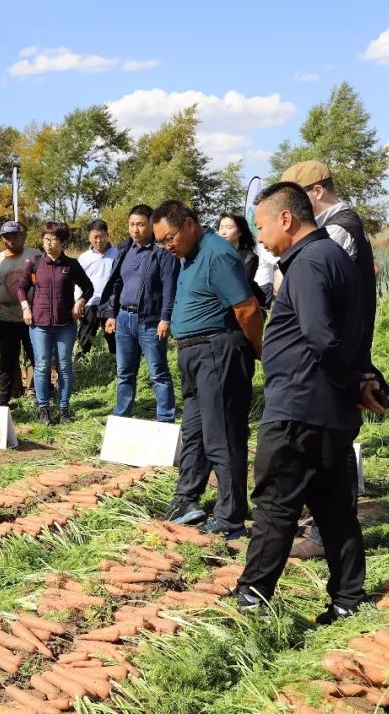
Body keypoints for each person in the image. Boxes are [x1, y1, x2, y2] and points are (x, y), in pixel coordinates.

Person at [235, 181, 387, 624]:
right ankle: (347, 600)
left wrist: (350, 380)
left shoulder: (308, 263)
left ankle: (252, 600)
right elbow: (347, 335)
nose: (259, 236)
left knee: (276, 506)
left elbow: (321, 337)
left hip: (299, 408)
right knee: (334, 509)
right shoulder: (335, 258)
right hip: (329, 411)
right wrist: (356, 381)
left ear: (286, 218)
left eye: (261, 226)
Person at [281, 160, 378, 561]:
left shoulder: (338, 229)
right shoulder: (338, 227)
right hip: (336, 347)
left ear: (317, 192)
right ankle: (325, 524)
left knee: (332, 444)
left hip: (334, 350)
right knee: (328, 440)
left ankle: (326, 533)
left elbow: (316, 290)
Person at [153, 201, 263, 540]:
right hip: (195, 353)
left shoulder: (217, 254)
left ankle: (231, 517)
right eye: (161, 241)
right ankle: (187, 499)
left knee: (223, 435)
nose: (166, 246)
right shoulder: (188, 255)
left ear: (188, 225)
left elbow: (247, 309)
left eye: (168, 238)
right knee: (196, 433)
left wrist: (260, 352)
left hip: (217, 350)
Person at [99, 204, 179, 422]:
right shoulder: (125, 250)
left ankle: (165, 418)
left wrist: (166, 318)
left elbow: (169, 287)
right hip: (124, 318)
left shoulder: (161, 252)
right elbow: (117, 284)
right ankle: (121, 415)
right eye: (132, 224)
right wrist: (111, 314)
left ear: (151, 226)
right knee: (124, 372)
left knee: (158, 373)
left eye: (141, 224)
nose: (135, 229)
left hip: (151, 320)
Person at [18, 222, 95, 424]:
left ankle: (64, 408)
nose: (49, 243)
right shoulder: (34, 263)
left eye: (53, 239)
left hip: (65, 325)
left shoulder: (71, 265)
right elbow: (21, 288)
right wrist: (26, 307)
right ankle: (44, 408)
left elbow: (88, 287)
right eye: (46, 239)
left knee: (64, 366)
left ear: (62, 242)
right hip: (39, 324)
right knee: (42, 366)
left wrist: (80, 301)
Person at [0, 220, 39, 407]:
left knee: (34, 355)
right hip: (7, 315)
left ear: (22, 236)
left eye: (15, 236)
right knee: (7, 357)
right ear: (2, 239)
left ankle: (36, 391)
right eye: (7, 237)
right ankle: (5, 393)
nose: (11, 240)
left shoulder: (34, 255)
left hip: (32, 316)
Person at [76, 219, 118, 356]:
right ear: (89, 237)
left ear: (107, 235)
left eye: (102, 236)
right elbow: (77, 282)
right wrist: (78, 301)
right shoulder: (84, 258)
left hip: (111, 304)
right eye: (95, 237)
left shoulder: (117, 254)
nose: (99, 241)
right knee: (85, 339)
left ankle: (117, 366)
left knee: (114, 339)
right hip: (90, 303)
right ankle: (81, 368)